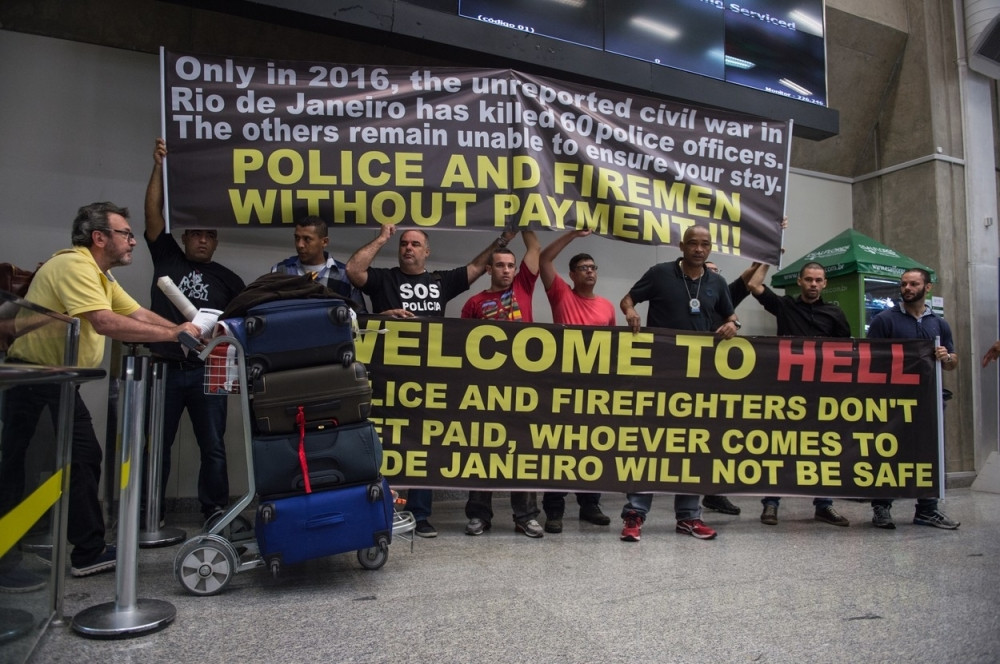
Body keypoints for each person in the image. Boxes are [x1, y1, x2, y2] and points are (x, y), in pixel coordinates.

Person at [0, 202, 201, 587]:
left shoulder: (100, 275)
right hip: (33, 379)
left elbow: (136, 314)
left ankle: (87, 551)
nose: (132, 242)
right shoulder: (74, 266)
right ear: (99, 237)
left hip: (57, 381)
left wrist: (184, 327)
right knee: (20, 470)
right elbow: (105, 322)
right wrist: (175, 335)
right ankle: (8, 562)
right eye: (125, 234)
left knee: (82, 459)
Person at [346, 224, 516, 537]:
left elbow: (478, 266)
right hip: (387, 378)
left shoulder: (440, 281)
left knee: (423, 444)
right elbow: (354, 270)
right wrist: (382, 238)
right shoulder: (384, 278)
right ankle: (379, 510)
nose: (408, 248)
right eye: (403, 244)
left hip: (427, 379)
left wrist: (504, 239)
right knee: (382, 441)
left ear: (427, 252)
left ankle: (419, 515)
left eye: (415, 244)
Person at [144, 138, 246, 525]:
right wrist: (158, 167)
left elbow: (242, 323)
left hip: (208, 371)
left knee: (213, 446)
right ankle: (147, 513)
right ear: (185, 237)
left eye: (210, 235)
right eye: (196, 234)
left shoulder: (229, 279)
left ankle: (215, 511)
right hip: (165, 367)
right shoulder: (168, 256)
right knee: (157, 446)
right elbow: (152, 216)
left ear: (215, 241)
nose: (203, 240)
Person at [619, 225, 740, 541]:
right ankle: (635, 513)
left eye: (705, 245)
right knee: (649, 442)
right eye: (694, 244)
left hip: (699, 377)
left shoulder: (717, 282)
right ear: (682, 245)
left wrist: (731, 325)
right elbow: (628, 299)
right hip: (659, 372)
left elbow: (731, 316)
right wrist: (631, 313)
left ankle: (688, 516)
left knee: (693, 444)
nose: (699, 249)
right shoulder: (659, 273)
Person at [742, 260, 853, 527]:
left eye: (818, 280)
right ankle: (771, 504)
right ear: (799, 282)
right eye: (808, 279)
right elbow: (753, 285)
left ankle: (824, 506)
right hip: (787, 391)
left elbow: (849, 353)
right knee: (779, 446)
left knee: (824, 449)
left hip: (823, 394)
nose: (813, 284)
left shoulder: (835, 315)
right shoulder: (785, 305)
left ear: (825, 284)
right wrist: (768, 257)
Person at [460, 230, 544, 538]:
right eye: (501, 265)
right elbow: (463, 349)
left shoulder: (524, 285)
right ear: (489, 269)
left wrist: (525, 218)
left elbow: (534, 246)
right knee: (483, 451)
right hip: (485, 391)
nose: (507, 270)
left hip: (523, 388)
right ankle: (479, 516)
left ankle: (526, 516)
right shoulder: (474, 304)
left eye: (511, 265)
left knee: (523, 451)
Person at [866, 268, 960, 530]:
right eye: (904, 284)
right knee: (888, 452)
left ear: (927, 288)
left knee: (930, 453)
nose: (907, 288)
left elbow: (953, 362)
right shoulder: (884, 320)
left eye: (914, 284)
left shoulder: (939, 324)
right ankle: (882, 507)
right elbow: (871, 359)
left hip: (929, 400)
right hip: (893, 400)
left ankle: (927, 509)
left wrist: (946, 358)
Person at [536, 229, 615, 533]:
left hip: (594, 387)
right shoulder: (561, 292)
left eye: (593, 268)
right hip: (563, 384)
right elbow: (544, 259)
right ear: (571, 274)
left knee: (590, 446)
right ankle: (554, 509)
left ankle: (589, 505)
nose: (590, 272)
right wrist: (573, 235)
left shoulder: (607, 307)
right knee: (558, 446)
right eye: (584, 268)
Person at [270, 215, 366, 310]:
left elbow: (359, 316)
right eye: (297, 238)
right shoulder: (280, 271)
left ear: (324, 242)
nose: (300, 245)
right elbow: (268, 311)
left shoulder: (344, 276)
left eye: (307, 239)